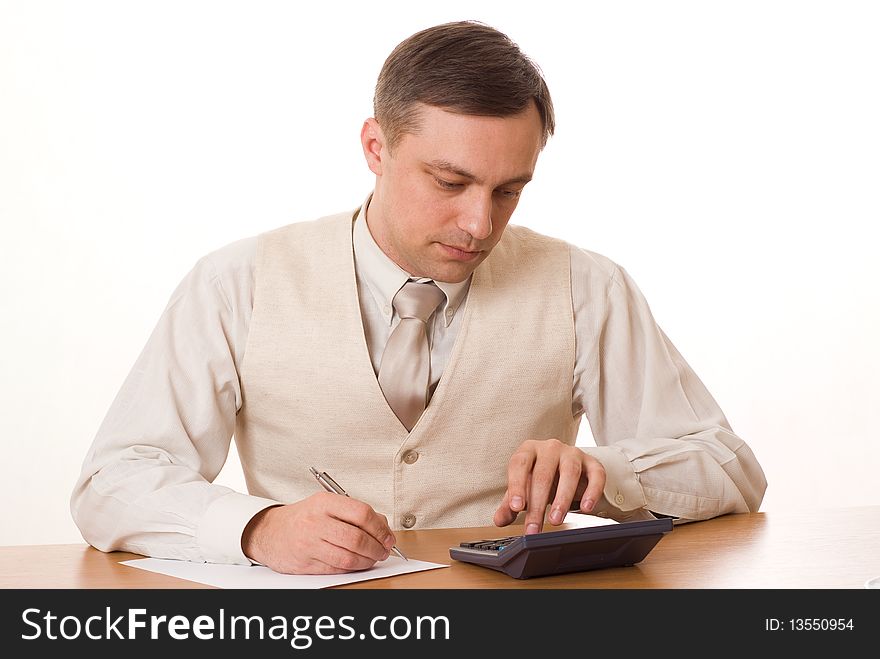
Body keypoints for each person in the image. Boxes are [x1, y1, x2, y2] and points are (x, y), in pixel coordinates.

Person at [71, 20, 767, 575]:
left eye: (508, 190)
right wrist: (254, 528)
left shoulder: (585, 286)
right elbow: (112, 479)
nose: (480, 223)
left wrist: (605, 471)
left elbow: (730, 466)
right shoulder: (237, 283)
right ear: (376, 146)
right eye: (449, 181)